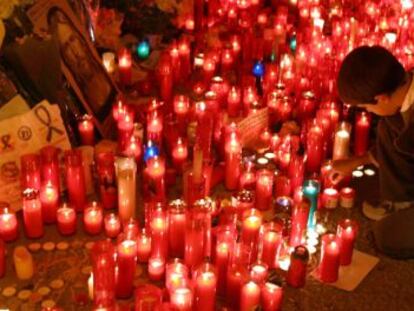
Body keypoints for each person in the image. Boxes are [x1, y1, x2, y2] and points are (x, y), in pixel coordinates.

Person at [333, 45, 414, 259]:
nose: (368, 112)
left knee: (387, 237)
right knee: (388, 125)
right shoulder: (406, 87)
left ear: (380, 98)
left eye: (367, 107)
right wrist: (357, 161)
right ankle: (400, 202)